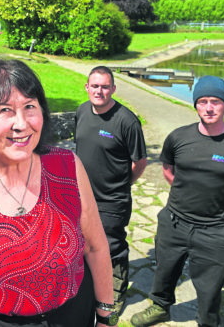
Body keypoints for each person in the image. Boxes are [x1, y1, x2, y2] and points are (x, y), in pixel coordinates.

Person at [0, 59, 119, 327]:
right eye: (5, 110)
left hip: (73, 315)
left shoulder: (67, 167)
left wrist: (105, 315)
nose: (21, 124)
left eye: (30, 107)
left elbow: (96, 247)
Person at [131, 75, 224, 327]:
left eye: (215, 101)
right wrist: (185, 194)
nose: (209, 107)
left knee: (210, 285)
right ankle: (160, 307)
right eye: (202, 101)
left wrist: (218, 205)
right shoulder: (179, 137)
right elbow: (168, 170)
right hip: (174, 222)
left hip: (213, 229)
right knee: (165, 271)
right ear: (196, 105)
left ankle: (206, 322)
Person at [75, 66, 148, 312]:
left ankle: (116, 292)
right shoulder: (82, 111)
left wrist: (124, 183)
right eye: (94, 86)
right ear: (87, 87)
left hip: (112, 200)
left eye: (105, 86)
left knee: (112, 247)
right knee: (85, 242)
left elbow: (140, 162)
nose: (99, 91)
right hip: (83, 195)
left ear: (113, 89)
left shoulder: (127, 121)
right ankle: (90, 283)